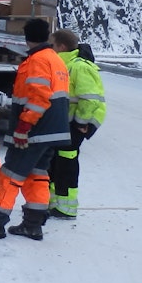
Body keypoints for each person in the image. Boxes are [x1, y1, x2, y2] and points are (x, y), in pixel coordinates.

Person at [0, 17, 70, 241]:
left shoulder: (37, 61)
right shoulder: (56, 60)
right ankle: (32, 225)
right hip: (51, 131)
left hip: (35, 129)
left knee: (9, 174)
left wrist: (23, 127)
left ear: (26, 38)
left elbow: (39, 98)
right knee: (37, 175)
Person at [46, 29, 107, 220]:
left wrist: (81, 123)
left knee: (66, 163)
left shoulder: (79, 67)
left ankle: (66, 207)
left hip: (76, 124)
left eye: (53, 45)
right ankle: (56, 202)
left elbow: (90, 99)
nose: (51, 48)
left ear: (62, 47)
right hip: (67, 123)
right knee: (57, 161)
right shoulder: (67, 64)